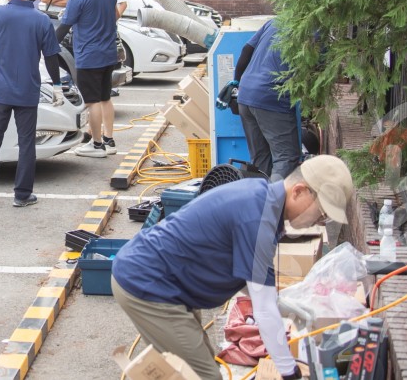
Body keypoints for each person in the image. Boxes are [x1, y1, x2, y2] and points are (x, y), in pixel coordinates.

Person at [111, 155, 354, 380]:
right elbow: (264, 309)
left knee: (198, 368)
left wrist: (287, 307)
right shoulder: (259, 219)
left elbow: (255, 285)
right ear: (299, 191)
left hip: (167, 281)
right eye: (321, 214)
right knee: (205, 376)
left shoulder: (262, 198)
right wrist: (289, 372)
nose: (319, 221)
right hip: (149, 283)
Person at [0, 0, 64, 208]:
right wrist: (57, 86)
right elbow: (51, 57)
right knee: (27, 142)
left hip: (0, 90)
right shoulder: (42, 20)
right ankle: (22, 194)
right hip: (28, 89)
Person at [55, 0, 119, 158]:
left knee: (92, 102)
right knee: (105, 98)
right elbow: (115, 14)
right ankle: (109, 139)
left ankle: (97, 144)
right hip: (109, 53)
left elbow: (64, 27)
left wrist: (46, 45)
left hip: (89, 56)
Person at [229, 18, 302, 181]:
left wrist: (236, 86)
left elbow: (246, 50)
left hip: (246, 95)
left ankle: (256, 202)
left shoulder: (274, 22)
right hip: (271, 98)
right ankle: (272, 205)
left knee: (260, 159)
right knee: (286, 158)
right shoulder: (314, 29)